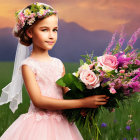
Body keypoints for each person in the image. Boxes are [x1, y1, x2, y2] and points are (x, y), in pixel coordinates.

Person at [0, 2, 109, 140]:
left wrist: (89, 92)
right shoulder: (28, 65)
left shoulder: (58, 63)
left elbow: (66, 93)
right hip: (37, 126)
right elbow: (39, 101)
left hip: (62, 125)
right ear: (29, 32)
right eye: (44, 30)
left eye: (55, 30)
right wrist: (83, 102)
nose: (51, 36)